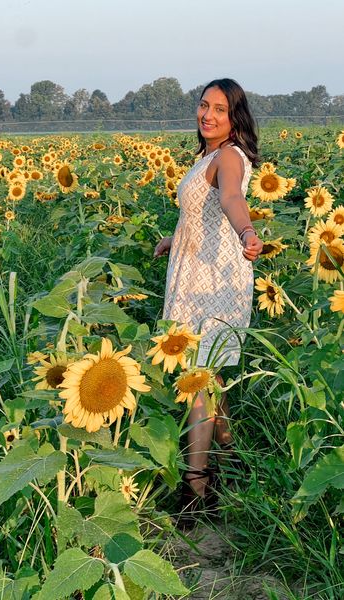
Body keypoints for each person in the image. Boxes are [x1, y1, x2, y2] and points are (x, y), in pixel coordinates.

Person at [153, 78, 263, 504]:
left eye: (219, 109)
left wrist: (248, 230)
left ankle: (197, 487)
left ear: (234, 119)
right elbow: (202, 213)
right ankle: (235, 463)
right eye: (204, 105)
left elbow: (233, 199)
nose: (208, 115)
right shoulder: (208, 156)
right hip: (194, 270)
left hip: (214, 282)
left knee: (198, 380)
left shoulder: (230, 158)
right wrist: (172, 238)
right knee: (210, 376)